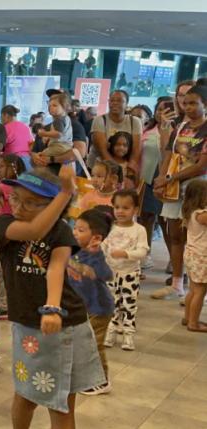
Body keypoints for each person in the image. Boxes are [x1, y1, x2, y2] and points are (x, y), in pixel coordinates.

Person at [0, 166, 105, 429]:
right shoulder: (4, 224)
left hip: (67, 322)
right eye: (16, 198)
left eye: (32, 202)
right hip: (28, 324)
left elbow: (56, 268)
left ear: (52, 205)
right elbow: (34, 231)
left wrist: (53, 307)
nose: (20, 206)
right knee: (25, 394)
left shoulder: (61, 231)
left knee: (62, 404)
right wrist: (66, 191)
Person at [153, 85, 207, 298]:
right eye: (185, 103)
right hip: (174, 187)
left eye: (194, 103)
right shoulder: (180, 128)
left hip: (197, 189)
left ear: (205, 105)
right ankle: (177, 284)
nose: (188, 107)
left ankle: (198, 292)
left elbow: (201, 166)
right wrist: (161, 181)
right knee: (175, 235)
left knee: (198, 239)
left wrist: (168, 178)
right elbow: (169, 156)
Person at [69, 206, 115, 396]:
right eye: (75, 228)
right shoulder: (72, 250)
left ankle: (102, 381)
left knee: (94, 345)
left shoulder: (96, 256)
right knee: (80, 343)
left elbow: (107, 275)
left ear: (96, 237)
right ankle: (85, 376)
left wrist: (97, 254)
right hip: (81, 306)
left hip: (99, 307)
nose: (75, 232)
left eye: (81, 230)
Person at [101, 189, 148, 352]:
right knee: (111, 304)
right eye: (117, 207)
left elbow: (143, 253)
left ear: (135, 209)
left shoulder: (139, 230)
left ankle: (128, 333)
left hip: (130, 275)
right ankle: (111, 331)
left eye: (126, 208)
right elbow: (102, 246)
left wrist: (126, 254)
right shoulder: (109, 227)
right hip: (110, 274)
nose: (120, 211)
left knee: (129, 305)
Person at [138, 98, 171, 272]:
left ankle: (174, 258)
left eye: (166, 110)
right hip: (146, 179)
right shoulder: (146, 129)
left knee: (166, 221)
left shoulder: (176, 130)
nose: (161, 114)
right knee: (146, 218)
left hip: (167, 180)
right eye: (159, 110)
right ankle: (145, 254)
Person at [89, 90, 142, 174]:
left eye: (120, 100)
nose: (115, 103)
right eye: (112, 100)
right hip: (98, 168)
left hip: (124, 167)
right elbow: (103, 151)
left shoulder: (134, 121)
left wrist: (129, 172)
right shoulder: (99, 120)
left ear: (127, 103)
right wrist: (117, 174)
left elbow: (136, 149)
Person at [182, 179, 207, 332]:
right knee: (200, 291)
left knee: (192, 290)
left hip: (192, 254)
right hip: (202, 256)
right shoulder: (202, 215)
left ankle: (188, 317)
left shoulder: (191, 212)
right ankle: (194, 323)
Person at [37, 93, 73, 158]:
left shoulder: (58, 119)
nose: (51, 108)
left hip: (60, 146)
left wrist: (44, 134)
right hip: (67, 146)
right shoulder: (66, 118)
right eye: (50, 106)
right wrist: (49, 137)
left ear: (63, 106)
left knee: (42, 155)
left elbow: (58, 133)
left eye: (54, 105)